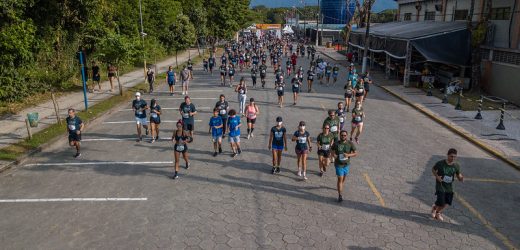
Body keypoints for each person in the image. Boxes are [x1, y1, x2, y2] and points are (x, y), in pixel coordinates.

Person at [431, 148, 464, 221]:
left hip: (449, 186)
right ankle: (435, 210)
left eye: (454, 157)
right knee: (441, 200)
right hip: (440, 184)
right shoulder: (440, 163)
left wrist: (460, 178)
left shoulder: (456, 166)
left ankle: (437, 211)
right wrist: (437, 177)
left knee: (447, 202)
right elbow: (433, 169)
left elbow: (458, 174)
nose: (453, 158)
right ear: (447, 155)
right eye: (451, 156)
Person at [331, 130, 357, 202]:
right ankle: (340, 195)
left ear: (347, 136)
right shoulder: (336, 143)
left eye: (344, 135)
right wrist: (334, 155)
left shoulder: (350, 143)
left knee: (343, 179)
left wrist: (348, 155)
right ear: (340, 136)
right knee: (340, 179)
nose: (343, 136)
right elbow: (331, 150)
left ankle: (340, 186)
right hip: (338, 164)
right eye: (342, 135)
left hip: (346, 164)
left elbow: (355, 153)